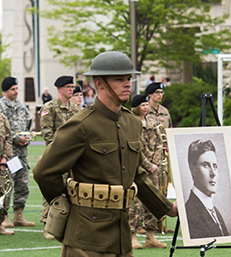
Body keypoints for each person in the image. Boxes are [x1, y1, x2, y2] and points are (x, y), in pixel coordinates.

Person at [33, 51, 177, 256]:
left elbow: (136, 175)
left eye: (129, 78)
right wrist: (67, 202)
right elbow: (43, 172)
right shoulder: (81, 125)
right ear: (99, 83)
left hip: (121, 238)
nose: (127, 84)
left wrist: (167, 208)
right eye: (119, 79)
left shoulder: (132, 123)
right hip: (85, 240)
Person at [39, 75, 82, 239]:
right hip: (57, 156)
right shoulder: (49, 108)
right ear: (59, 89)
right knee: (54, 190)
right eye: (68, 87)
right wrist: (60, 153)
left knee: (75, 189)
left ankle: (71, 225)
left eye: (72, 87)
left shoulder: (77, 109)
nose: (71, 90)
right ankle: (48, 225)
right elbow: (48, 135)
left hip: (76, 157)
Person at [129, 94, 167, 249]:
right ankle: (132, 236)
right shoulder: (130, 122)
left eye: (146, 105)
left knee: (153, 200)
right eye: (142, 105)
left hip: (153, 169)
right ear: (136, 107)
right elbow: (134, 147)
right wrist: (147, 165)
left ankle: (150, 237)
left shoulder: (152, 121)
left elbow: (159, 142)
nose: (145, 108)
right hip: (136, 168)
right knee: (135, 203)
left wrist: (155, 163)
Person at [0, 77, 35, 229]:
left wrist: (27, 138)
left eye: (16, 88)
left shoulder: (22, 105)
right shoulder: (1, 106)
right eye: (12, 89)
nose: (16, 91)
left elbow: (29, 124)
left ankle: (19, 215)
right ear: (5, 91)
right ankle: (4, 216)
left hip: (22, 153)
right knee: (7, 185)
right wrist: (16, 138)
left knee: (23, 184)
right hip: (7, 153)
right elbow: (3, 130)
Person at [185, 139, 229, 239]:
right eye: (206, 165)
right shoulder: (190, 211)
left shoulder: (214, 211)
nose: (213, 173)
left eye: (215, 166)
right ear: (193, 169)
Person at [145, 82, 173, 232]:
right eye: (157, 92)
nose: (160, 95)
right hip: (148, 154)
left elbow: (169, 130)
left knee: (163, 188)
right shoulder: (143, 109)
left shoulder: (165, 111)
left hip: (163, 154)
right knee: (151, 189)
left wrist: (170, 144)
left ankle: (160, 223)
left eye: (161, 92)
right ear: (150, 94)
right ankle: (145, 224)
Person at [0, 112, 14, 235]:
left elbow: (8, 137)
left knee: (2, 195)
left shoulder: (2, 116)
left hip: (1, 163)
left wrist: (5, 157)